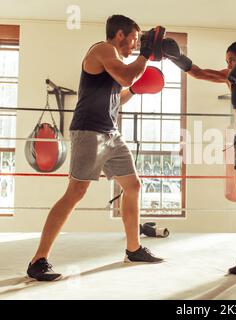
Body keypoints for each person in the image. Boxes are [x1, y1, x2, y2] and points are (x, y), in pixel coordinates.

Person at [26, 15, 164, 281]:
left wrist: (136, 91)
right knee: (75, 192)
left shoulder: (115, 63)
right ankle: (38, 260)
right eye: (134, 40)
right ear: (120, 35)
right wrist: (146, 54)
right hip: (89, 131)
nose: (135, 46)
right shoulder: (102, 49)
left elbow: (117, 96)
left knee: (133, 185)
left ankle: (133, 248)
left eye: (139, 43)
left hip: (110, 133)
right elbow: (126, 77)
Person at [162, 38, 236, 274]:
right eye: (226, 61)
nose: (228, 65)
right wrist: (176, 57)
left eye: (232, 60)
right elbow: (199, 72)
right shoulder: (231, 77)